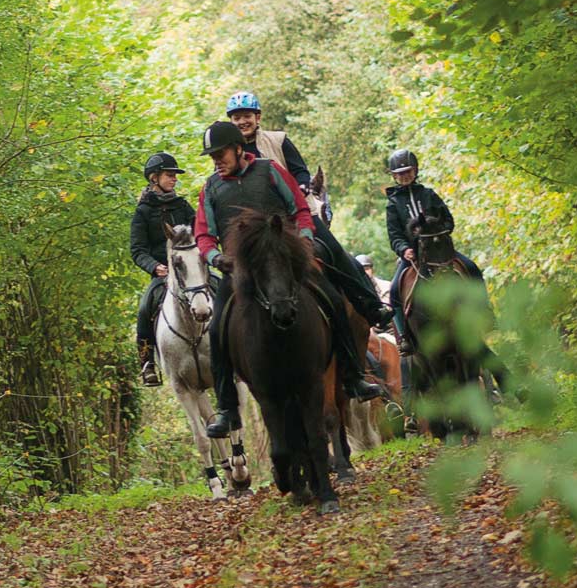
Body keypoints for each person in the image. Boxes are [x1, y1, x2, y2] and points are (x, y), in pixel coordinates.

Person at [194, 121, 385, 438]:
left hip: (283, 258)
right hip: (241, 269)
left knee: (333, 301)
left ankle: (353, 377)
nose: (216, 160)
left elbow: (300, 210)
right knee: (217, 330)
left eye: (220, 153)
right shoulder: (210, 188)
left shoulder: (270, 171)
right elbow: (203, 235)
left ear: (239, 149)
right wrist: (215, 258)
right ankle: (227, 410)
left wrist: (306, 239)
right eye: (211, 156)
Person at [225, 91, 394, 329]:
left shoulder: (278, 140)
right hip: (256, 226)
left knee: (335, 251)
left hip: (295, 214)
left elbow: (300, 170)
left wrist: (302, 185)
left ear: (258, 117)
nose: (242, 121)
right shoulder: (228, 151)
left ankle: (371, 307)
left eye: (247, 116)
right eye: (237, 118)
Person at [383, 149, 479, 357]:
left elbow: (448, 220)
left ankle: (484, 312)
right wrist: (404, 249)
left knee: (471, 267)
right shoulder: (392, 205)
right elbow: (394, 235)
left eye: (408, 171)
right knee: (394, 290)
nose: (404, 176)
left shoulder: (429, 194)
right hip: (414, 256)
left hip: (438, 250)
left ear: (415, 171)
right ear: (394, 176)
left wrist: (439, 232)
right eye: (400, 173)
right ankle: (404, 337)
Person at [130, 152, 195, 386]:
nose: (174, 179)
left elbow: (199, 231)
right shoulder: (143, 212)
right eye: (170, 175)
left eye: (175, 175)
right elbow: (138, 250)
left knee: (219, 290)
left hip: (190, 271)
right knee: (144, 308)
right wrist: (155, 266)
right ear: (154, 178)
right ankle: (147, 363)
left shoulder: (183, 205)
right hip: (164, 274)